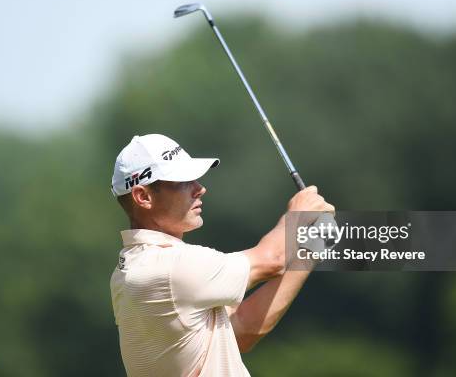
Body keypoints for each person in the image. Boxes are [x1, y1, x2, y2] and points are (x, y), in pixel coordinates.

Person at [110, 134, 334, 377]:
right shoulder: (170, 268)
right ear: (143, 197)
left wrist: (310, 245)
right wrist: (301, 214)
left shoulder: (137, 267)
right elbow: (273, 260)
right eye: (182, 181)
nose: (200, 188)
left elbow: (243, 328)